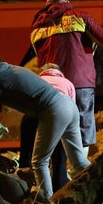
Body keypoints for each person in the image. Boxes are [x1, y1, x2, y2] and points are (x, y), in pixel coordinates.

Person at [0, 50, 90, 201]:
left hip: (54, 110)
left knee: (39, 162)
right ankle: (101, 186)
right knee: (79, 161)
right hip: (68, 105)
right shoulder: (3, 71)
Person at [30, 0, 103, 158]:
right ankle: (79, 171)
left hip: (50, 84)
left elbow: (39, 55)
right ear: (66, 0)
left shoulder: (38, 25)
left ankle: (58, 174)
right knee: (83, 127)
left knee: (53, 126)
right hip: (80, 81)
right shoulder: (80, 17)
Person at [19, 63, 75, 191]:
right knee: (59, 157)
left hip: (33, 115)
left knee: (28, 154)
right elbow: (72, 109)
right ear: (59, 73)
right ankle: (58, 190)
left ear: (42, 73)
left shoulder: (36, 80)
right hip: (59, 113)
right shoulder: (68, 83)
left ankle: (25, 186)